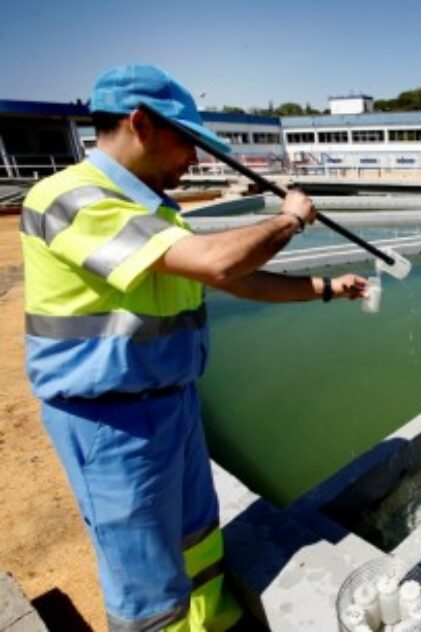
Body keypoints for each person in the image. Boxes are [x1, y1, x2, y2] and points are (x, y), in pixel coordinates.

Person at [19, 64, 367, 631]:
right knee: (146, 583)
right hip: (111, 424)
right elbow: (218, 261)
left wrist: (327, 288)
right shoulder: (70, 199)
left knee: (197, 542)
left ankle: (215, 623)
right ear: (141, 124)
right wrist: (289, 221)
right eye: (189, 141)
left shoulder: (154, 211)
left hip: (172, 405)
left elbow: (230, 279)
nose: (196, 159)